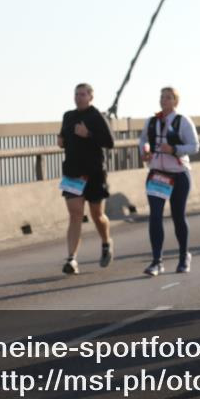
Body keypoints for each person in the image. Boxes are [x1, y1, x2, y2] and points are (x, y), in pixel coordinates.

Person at [140, 86, 200, 276]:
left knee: (178, 216)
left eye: (168, 97)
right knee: (155, 216)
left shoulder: (182, 121)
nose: (163, 100)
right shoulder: (152, 121)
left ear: (175, 101)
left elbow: (195, 146)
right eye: (162, 97)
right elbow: (142, 140)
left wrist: (174, 149)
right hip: (157, 174)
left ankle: (184, 256)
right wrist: (145, 151)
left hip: (178, 174)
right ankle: (157, 261)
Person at [57, 83, 116, 275]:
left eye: (82, 94)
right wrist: (61, 141)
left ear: (91, 97)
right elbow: (64, 138)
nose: (78, 97)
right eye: (76, 94)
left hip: (94, 173)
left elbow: (110, 142)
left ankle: (106, 242)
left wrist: (88, 134)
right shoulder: (68, 116)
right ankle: (71, 259)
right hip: (73, 172)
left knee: (97, 215)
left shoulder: (97, 116)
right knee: (75, 215)